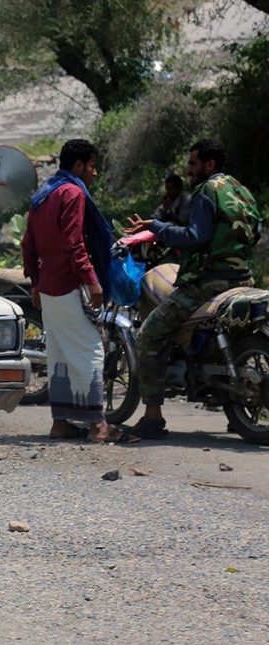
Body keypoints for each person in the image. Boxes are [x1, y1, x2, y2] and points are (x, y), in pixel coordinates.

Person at [124, 139, 260, 440]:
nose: (189, 170)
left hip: (209, 282)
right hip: (243, 278)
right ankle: (232, 406)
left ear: (210, 165)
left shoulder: (205, 192)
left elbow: (196, 236)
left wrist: (157, 228)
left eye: (193, 164)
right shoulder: (241, 189)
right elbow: (257, 230)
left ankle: (152, 417)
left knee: (148, 335)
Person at [21, 139, 111, 444]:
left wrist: (35, 280)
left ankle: (60, 423)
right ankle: (97, 426)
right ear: (78, 166)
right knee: (90, 349)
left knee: (59, 352)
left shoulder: (42, 194)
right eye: (92, 166)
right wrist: (92, 280)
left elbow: (28, 244)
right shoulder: (71, 192)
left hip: (48, 287)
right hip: (70, 284)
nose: (94, 173)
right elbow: (74, 243)